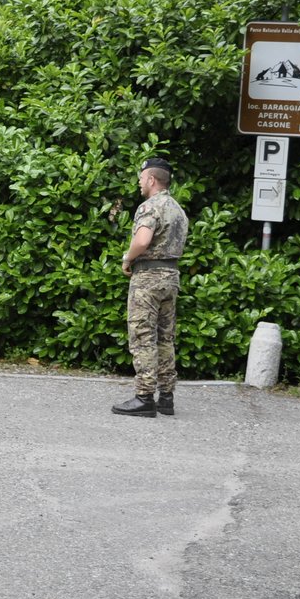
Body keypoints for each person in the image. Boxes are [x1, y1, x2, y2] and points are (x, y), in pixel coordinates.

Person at [111, 157, 190, 417]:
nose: (139, 182)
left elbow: (143, 240)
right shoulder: (178, 209)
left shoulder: (150, 207)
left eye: (142, 177)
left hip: (148, 279)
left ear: (152, 179)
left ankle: (144, 397)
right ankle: (166, 397)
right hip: (171, 276)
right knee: (166, 337)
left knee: (143, 336)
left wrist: (128, 258)